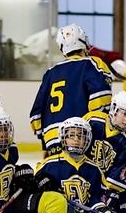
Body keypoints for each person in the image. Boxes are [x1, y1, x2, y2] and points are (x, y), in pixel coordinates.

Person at [30, 24, 113, 157]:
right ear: (83, 41)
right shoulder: (91, 64)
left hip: (52, 141)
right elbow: (101, 101)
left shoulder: (51, 72)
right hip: (79, 138)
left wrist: (46, 142)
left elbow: (35, 115)